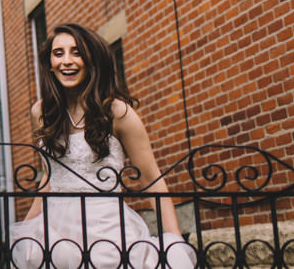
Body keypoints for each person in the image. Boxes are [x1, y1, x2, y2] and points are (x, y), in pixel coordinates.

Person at [10, 23, 195, 269]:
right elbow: (50, 179)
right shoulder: (41, 112)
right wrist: (25, 232)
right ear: (49, 64)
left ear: (92, 60)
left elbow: (152, 178)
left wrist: (176, 244)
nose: (67, 61)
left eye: (76, 52)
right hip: (54, 233)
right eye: (58, 53)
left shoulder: (117, 112)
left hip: (105, 231)